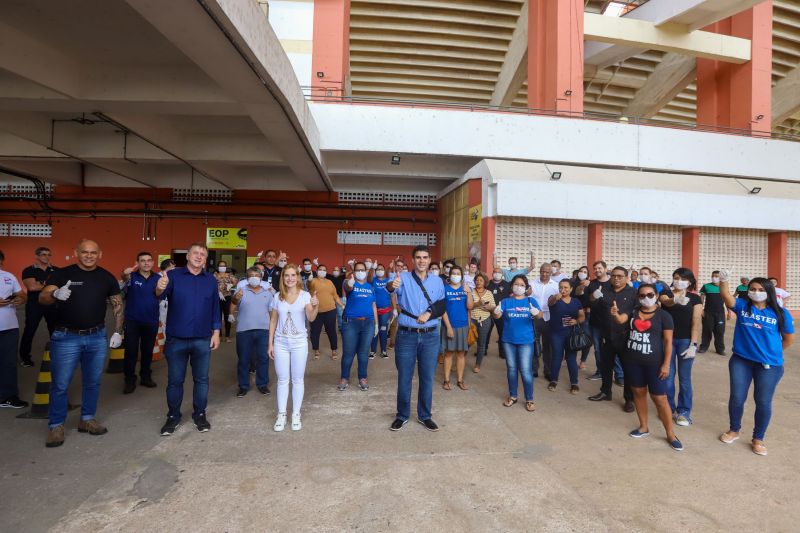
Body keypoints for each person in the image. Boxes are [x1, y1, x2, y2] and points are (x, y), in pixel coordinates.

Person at [39, 239, 124, 448]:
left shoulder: (106, 277)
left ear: (100, 254)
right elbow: (42, 297)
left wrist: (118, 331)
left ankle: (87, 419)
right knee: (60, 384)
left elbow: (117, 304)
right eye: (84, 252)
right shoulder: (62, 274)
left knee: (93, 382)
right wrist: (54, 293)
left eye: (93, 253)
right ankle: (56, 425)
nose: (89, 256)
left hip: (97, 337)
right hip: (66, 337)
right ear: (76, 252)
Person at [718, 273, 794, 456]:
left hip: (769, 366)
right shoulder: (743, 306)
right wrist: (723, 280)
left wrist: (770, 353)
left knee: (763, 401)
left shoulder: (780, 313)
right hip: (741, 361)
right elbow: (726, 296)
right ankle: (734, 430)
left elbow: (788, 340)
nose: (756, 292)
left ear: (768, 291)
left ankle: (758, 438)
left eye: (760, 290)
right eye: (753, 289)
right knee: (737, 397)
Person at [156, 242, 221, 437]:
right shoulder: (173, 276)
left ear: (206, 259)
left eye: (203, 254)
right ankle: (173, 416)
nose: (199, 256)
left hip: (202, 338)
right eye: (195, 253)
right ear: (187, 256)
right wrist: (159, 287)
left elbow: (215, 307)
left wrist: (216, 331)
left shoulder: (210, 280)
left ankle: (199, 414)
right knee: (175, 381)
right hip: (176, 339)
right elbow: (159, 295)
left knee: (201, 380)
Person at [387, 245, 446, 432]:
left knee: (427, 377)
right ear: (413, 260)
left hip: (430, 336)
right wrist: (391, 286)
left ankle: (424, 415)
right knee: (405, 377)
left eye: (425, 257)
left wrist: (430, 313)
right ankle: (402, 415)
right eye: (418, 257)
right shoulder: (402, 278)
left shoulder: (437, 281)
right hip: (406, 335)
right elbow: (390, 288)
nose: (422, 261)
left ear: (429, 260)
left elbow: (442, 304)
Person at [618, 283, 682, 451]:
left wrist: (666, 364)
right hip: (633, 361)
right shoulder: (633, 313)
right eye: (642, 295)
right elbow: (620, 320)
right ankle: (643, 426)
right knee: (638, 393)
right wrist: (615, 314)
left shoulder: (664, 316)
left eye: (650, 294)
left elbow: (668, 343)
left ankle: (670, 434)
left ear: (656, 295)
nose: (646, 298)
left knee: (660, 399)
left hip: (655, 364)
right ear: (637, 297)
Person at [269, 264, 319, 431]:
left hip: (299, 343)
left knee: (297, 379)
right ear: (283, 278)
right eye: (286, 275)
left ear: (298, 277)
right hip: (281, 342)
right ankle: (281, 414)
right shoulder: (277, 296)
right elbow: (273, 321)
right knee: (283, 380)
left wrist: (315, 304)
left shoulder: (305, 296)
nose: (290, 278)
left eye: (293, 275)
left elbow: (311, 318)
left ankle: (296, 414)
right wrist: (270, 344)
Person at [588, 266, 636, 412]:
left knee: (628, 369)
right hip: (606, 336)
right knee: (606, 367)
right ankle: (605, 392)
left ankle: (629, 399)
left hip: (625, 337)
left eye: (620, 276)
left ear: (627, 278)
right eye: (614, 275)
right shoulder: (604, 290)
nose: (616, 278)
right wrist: (593, 296)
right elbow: (591, 304)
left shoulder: (633, 293)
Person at [660, 268, 702, 426]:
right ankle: (668, 408)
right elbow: (666, 302)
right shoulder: (666, 293)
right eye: (676, 278)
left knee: (685, 379)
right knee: (668, 377)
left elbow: (696, 321)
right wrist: (676, 299)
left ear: (689, 281)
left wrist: (693, 343)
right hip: (667, 340)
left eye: (683, 278)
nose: (679, 281)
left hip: (685, 341)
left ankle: (684, 411)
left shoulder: (696, 299)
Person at [494, 274, 541, 412]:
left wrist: (536, 312)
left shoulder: (531, 301)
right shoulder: (506, 301)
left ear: (526, 287)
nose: (518, 287)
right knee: (512, 369)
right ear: (512, 286)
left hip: (526, 340)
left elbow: (540, 316)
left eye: (522, 285)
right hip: (508, 340)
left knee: (526, 370)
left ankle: (529, 399)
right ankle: (513, 396)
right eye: (516, 284)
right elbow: (498, 315)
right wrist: (496, 312)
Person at [120, 252, 161, 394]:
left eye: (149, 260)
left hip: (151, 321)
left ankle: (145, 377)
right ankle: (129, 380)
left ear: (153, 262)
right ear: (137, 262)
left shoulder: (158, 278)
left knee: (147, 351)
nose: (146, 263)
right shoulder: (131, 276)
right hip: (132, 321)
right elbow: (123, 279)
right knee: (130, 352)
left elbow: (161, 294)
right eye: (142, 261)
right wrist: (124, 274)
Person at [231, 267, 273, 397]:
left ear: (261, 278)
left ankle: (262, 384)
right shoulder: (241, 291)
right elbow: (233, 303)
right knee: (244, 359)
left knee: (263, 358)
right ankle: (243, 386)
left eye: (257, 275)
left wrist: (274, 329)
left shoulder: (268, 293)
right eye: (251, 275)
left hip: (264, 330)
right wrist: (234, 302)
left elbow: (272, 312)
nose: (254, 277)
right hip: (244, 330)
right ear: (247, 278)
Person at [340, 262, 378, 391]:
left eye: (363, 270)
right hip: (351, 323)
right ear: (354, 272)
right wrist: (349, 284)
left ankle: (362, 378)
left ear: (366, 272)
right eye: (358, 270)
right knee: (348, 353)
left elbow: (373, 306)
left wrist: (376, 324)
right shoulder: (350, 283)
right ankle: (344, 378)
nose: (361, 272)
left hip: (368, 323)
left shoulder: (370, 287)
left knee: (363, 353)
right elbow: (347, 287)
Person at [19, 247, 58, 367]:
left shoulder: (56, 270)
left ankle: (57, 355)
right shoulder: (28, 270)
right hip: (34, 305)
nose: (46, 257)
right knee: (29, 330)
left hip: (52, 304)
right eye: (43, 254)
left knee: (55, 332)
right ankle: (25, 358)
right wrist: (50, 284)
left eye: (48, 255)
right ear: (36, 256)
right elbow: (32, 288)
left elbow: (60, 286)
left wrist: (40, 283)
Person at [0, 250, 28, 409]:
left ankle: (8, 397)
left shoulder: (9, 277)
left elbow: (23, 295)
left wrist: (20, 299)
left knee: (8, 363)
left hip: (9, 326)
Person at [547, 279, 585, 393]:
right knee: (556, 357)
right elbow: (550, 303)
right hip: (556, 334)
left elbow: (582, 316)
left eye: (566, 288)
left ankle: (574, 383)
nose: (563, 290)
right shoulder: (554, 298)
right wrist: (555, 297)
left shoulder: (576, 301)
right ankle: (553, 380)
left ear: (571, 289)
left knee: (571, 359)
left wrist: (576, 321)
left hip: (571, 334)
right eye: (561, 287)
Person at [442, 266, 474, 390]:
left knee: (461, 354)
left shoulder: (466, 289)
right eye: (453, 273)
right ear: (450, 276)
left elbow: (470, 307)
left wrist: (469, 292)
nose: (455, 275)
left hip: (463, 325)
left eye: (458, 273)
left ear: (462, 276)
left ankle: (460, 380)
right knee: (449, 353)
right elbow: (443, 310)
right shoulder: (445, 289)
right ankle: (446, 380)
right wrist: (448, 327)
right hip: (449, 326)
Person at [528, 263, 559, 380]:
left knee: (548, 346)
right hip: (535, 318)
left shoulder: (556, 286)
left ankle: (548, 371)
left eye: (547, 272)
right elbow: (527, 296)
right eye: (543, 271)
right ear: (540, 271)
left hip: (549, 318)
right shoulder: (532, 283)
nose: (545, 274)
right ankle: (534, 369)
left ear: (551, 273)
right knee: (534, 344)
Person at [308, 264, 342, 361]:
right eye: (320, 269)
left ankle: (334, 350)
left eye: (324, 270)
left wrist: (341, 305)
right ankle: (316, 350)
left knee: (331, 331)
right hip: (316, 311)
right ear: (317, 271)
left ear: (326, 272)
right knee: (315, 332)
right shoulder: (313, 280)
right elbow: (309, 286)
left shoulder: (330, 282)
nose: (322, 271)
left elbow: (335, 295)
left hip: (330, 310)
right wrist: (309, 280)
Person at [470, 272, 495, 373]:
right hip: (472, 319)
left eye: (481, 280)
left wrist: (490, 308)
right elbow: (468, 306)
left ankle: (477, 364)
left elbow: (493, 307)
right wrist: (477, 304)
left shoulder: (489, 293)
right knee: (467, 341)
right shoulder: (470, 291)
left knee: (481, 343)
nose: (478, 282)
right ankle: (460, 360)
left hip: (485, 320)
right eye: (476, 280)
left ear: (485, 282)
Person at [699, 270, 727, 355]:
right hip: (708, 313)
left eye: (717, 276)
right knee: (707, 330)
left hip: (720, 313)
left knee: (720, 331)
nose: (714, 278)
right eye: (713, 276)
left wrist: (729, 312)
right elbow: (702, 298)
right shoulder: (706, 286)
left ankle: (720, 349)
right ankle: (703, 347)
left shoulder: (723, 287)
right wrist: (701, 310)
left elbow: (727, 299)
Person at [369, 263, 393, 359]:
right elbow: (369, 277)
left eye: (381, 269)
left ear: (384, 270)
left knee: (383, 330)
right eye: (377, 269)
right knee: (374, 331)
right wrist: (372, 268)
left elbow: (393, 294)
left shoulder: (388, 281)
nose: (379, 270)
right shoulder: (372, 280)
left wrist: (394, 309)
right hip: (374, 310)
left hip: (385, 311)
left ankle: (383, 351)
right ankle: (372, 351)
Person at [486, 267, 511, 360]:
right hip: (488, 311)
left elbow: (511, 296)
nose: (497, 274)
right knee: (486, 331)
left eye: (499, 272)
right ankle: (484, 349)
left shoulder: (507, 284)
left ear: (502, 274)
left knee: (502, 332)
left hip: (502, 312)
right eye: (495, 272)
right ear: (492, 274)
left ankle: (502, 352)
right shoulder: (488, 284)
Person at [572, 265, 593, 368]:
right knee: (573, 336)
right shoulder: (572, 283)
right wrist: (581, 286)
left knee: (587, 337)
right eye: (581, 271)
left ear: (588, 275)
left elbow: (592, 299)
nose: (582, 273)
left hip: (586, 314)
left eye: (585, 271)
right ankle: (572, 359)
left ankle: (583, 360)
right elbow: (573, 295)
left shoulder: (591, 284)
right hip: (573, 314)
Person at [214, 261, 237, 343]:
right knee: (218, 316)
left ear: (226, 267)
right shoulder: (215, 275)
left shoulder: (229, 275)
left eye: (224, 266)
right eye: (220, 265)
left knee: (228, 316)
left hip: (227, 297)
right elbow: (211, 284)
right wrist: (218, 291)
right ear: (218, 267)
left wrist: (231, 285)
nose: (222, 267)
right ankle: (218, 335)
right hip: (217, 297)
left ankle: (227, 336)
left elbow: (235, 281)